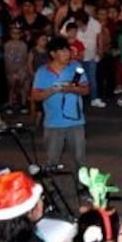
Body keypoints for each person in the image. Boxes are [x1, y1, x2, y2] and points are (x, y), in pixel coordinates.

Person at [31, 36, 90, 170]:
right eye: (62, 51)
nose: (67, 54)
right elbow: (35, 96)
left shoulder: (76, 68)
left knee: (80, 159)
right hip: (53, 123)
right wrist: (52, 90)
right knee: (52, 160)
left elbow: (86, 90)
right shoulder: (42, 72)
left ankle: (82, 187)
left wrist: (72, 89)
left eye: (67, 50)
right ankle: (51, 188)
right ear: (53, 54)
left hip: (76, 122)